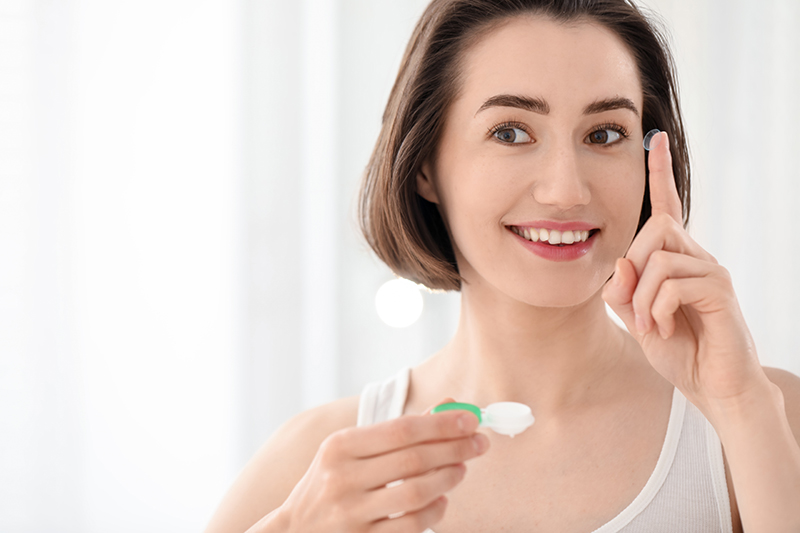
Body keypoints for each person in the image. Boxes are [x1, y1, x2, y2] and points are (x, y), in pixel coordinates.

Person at [205, 1, 800, 532]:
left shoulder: (764, 413)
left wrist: (743, 409)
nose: (566, 190)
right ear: (424, 166)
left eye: (605, 133)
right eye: (511, 131)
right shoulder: (318, 466)